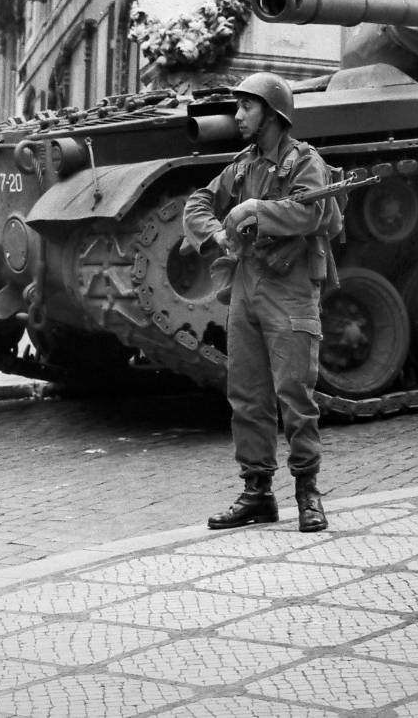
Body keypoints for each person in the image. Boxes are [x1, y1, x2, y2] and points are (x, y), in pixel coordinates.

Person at [183, 72, 340, 534]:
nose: (237, 117)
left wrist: (254, 211)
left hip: (290, 286)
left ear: (271, 114)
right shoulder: (242, 165)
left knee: (294, 392)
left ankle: (307, 493)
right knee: (247, 394)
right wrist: (216, 232)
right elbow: (198, 202)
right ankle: (257, 493)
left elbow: (312, 210)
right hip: (247, 282)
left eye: (246, 108)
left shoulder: (304, 161)